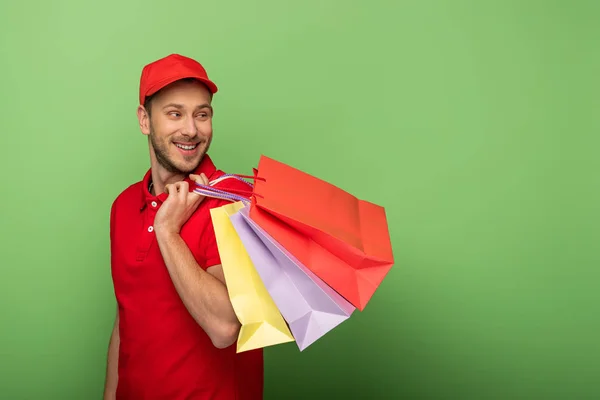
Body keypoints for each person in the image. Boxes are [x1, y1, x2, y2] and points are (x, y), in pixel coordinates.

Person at [103, 54, 264, 400]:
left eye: (202, 114)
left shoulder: (234, 202)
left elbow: (224, 327)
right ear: (145, 120)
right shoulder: (123, 206)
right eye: (175, 113)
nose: (191, 129)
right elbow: (126, 317)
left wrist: (167, 232)